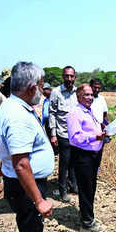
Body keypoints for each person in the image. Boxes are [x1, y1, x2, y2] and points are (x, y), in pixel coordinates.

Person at [0, 61, 63, 232]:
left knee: (32, 230)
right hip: (25, 187)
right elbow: (21, 164)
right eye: (41, 85)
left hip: (25, 185)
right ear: (32, 87)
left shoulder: (16, 106)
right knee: (31, 231)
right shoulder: (17, 116)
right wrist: (39, 201)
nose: (43, 90)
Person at [67, 84, 106, 232]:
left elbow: (94, 130)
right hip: (83, 156)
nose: (90, 97)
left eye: (91, 95)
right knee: (85, 188)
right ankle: (87, 222)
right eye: (86, 95)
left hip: (94, 154)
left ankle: (87, 215)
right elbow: (75, 138)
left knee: (91, 187)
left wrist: (103, 136)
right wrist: (96, 136)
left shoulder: (89, 111)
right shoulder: (74, 113)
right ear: (78, 97)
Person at [48, 66, 78, 202]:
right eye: (67, 76)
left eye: (71, 76)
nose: (69, 79)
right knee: (64, 163)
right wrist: (53, 134)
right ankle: (62, 191)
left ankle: (73, 185)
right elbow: (52, 113)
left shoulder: (78, 92)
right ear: (63, 77)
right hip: (63, 133)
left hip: (76, 134)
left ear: (75, 77)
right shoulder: (56, 92)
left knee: (74, 161)